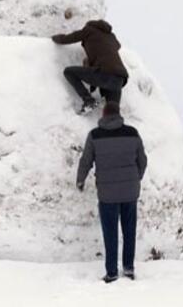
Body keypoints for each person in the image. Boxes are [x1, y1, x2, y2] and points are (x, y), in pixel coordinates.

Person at [76, 101, 148, 283]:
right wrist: (135, 178)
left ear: (103, 115)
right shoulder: (132, 133)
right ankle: (129, 268)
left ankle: (112, 272)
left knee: (110, 233)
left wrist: (80, 179)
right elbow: (143, 160)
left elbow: (86, 161)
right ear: (118, 114)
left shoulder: (94, 135)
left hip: (107, 193)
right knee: (129, 230)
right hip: (130, 191)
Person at [51, 20, 129, 114]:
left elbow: (69, 38)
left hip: (106, 73)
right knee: (113, 113)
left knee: (69, 72)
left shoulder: (89, 30)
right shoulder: (111, 36)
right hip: (119, 79)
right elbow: (118, 45)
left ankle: (88, 101)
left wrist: (53, 38)